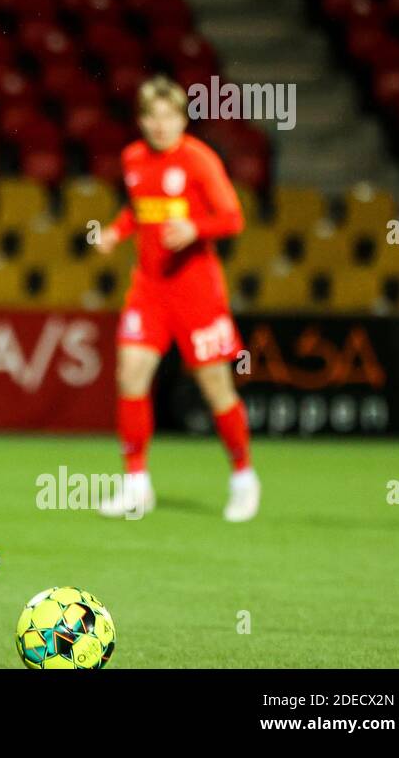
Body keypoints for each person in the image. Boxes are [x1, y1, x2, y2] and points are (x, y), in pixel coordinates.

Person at [95, 75, 260, 522]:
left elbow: (232, 217)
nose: (160, 125)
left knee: (215, 387)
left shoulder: (199, 160)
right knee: (130, 376)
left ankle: (243, 477)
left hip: (197, 294)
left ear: (182, 118)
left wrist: (195, 229)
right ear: (143, 120)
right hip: (148, 290)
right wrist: (116, 231)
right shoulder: (132, 158)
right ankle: (135, 485)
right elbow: (139, 210)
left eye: (169, 116)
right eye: (152, 116)